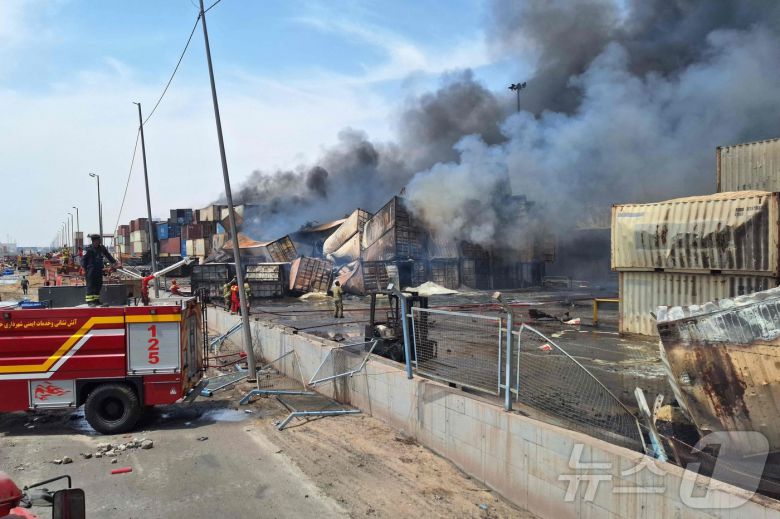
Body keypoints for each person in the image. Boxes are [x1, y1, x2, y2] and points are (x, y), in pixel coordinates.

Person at [81, 234, 119, 306]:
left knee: (98, 285)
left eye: (99, 240)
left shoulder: (101, 248)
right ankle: (90, 301)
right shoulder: (87, 249)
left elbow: (108, 255)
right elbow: (83, 259)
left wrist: (114, 262)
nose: (99, 242)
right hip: (90, 270)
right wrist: (83, 269)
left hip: (99, 269)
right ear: (93, 241)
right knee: (91, 285)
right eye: (97, 240)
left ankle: (96, 300)